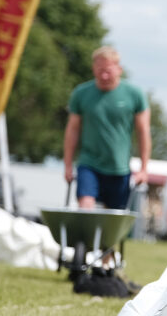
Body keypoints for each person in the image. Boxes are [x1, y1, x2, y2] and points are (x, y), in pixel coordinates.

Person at [63, 46, 150, 210]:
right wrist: (68, 164)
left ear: (119, 69)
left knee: (113, 217)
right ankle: (86, 236)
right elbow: (72, 130)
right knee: (85, 207)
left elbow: (143, 131)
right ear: (93, 68)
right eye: (99, 70)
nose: (103, 76)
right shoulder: (81, 94)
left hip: (119, 168)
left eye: (108, 71)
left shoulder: (135, 95)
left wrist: (144, 169)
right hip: (89, 164)